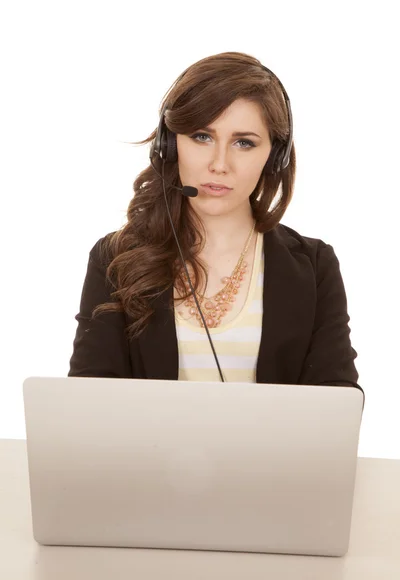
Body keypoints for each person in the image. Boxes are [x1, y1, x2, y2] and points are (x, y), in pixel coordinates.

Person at [67, 51, 364, 402]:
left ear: (275, 155)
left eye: (244, 143)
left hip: (270, 460)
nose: (219, 164)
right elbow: (87, 406)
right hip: (148, 459)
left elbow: (336, 406)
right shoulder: (114, 258)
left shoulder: (315, 266)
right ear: (170, 145)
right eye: (201, 137)